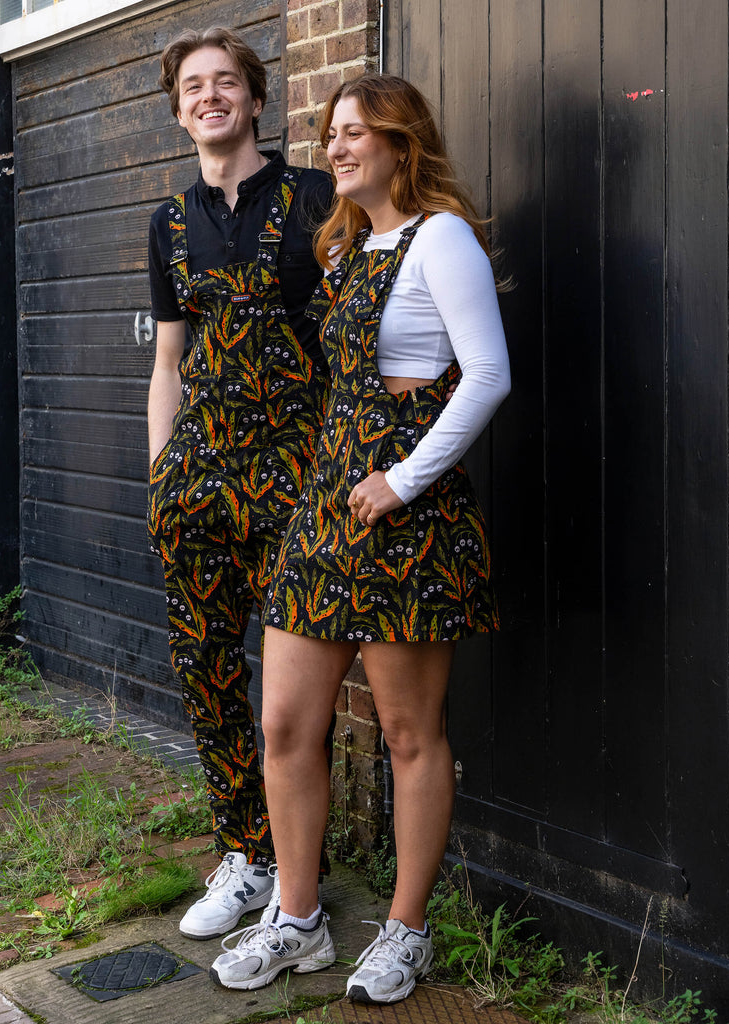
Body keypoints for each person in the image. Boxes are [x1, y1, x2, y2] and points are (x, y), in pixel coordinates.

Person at [210, 73, 511, 1003]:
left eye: (354, 133)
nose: (335, 149)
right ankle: (297, 919)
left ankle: (405, 931)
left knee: (409, 735)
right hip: (328, 512)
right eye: (330, 133)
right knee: (284, 723)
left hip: (405, 520)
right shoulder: (349, 247)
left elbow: (487, 374)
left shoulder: (440, 238)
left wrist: (404, 480)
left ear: (399, 142)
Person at [146, 26, 332, 941]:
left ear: (256, 100)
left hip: (296, 479)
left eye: (226, 82)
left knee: (293, 692)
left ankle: (299, 874)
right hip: (197, 484)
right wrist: (160, 474)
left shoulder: (314, 197)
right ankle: (244, 856)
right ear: (179, 110)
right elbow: (167, 362)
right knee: (207, 672)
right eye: (193, 86)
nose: (210, 96)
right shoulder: (169, 223)